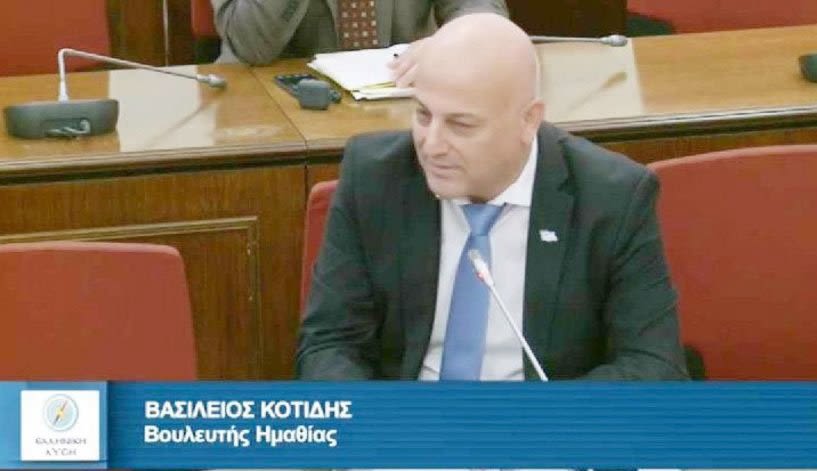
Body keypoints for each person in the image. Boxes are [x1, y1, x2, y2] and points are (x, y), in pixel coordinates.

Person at [296, 13, 689, 381]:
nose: (432, 145)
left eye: (461, 125)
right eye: (423, 115)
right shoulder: (375, 177)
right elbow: (329, 345)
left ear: (528, 120)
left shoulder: (611, 196)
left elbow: (653, 366)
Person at [211, 0, 508, 85]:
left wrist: (450, 43)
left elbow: (483, 12)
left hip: (400, 97)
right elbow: (251, 44)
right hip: (273, 103)